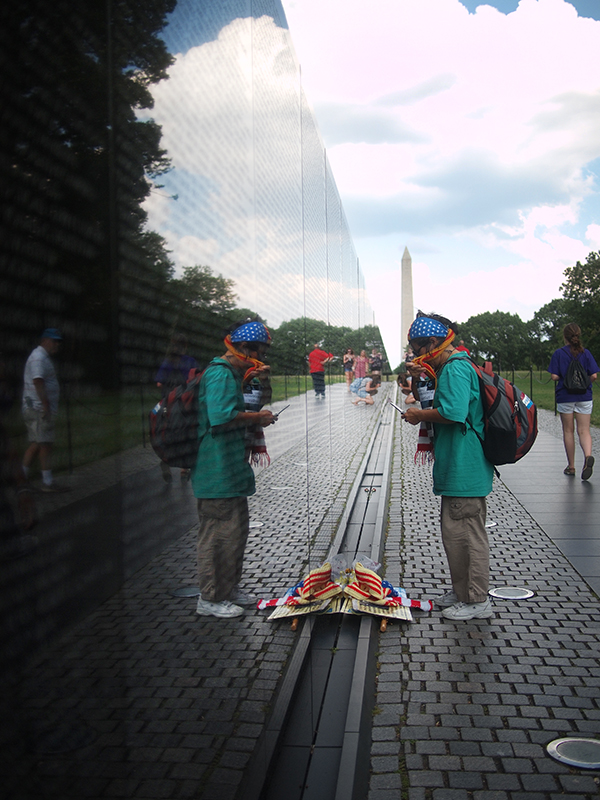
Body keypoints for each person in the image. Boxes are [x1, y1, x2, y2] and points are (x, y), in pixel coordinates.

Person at [403, 314, 494, 621]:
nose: (416, 354)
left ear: (433, 343)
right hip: (458, 464)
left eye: (418, 348)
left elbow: (453, 412)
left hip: (464, 465)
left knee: (467, 534)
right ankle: (461, 591)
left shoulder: (455, 368)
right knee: (456, 534)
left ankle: (476, 600)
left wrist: (420, 415)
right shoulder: (452, 366)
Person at [191, 321, 277, 619]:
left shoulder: (234, 375)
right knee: (216, 536)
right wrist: (257, 418)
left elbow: (251, 401)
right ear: (243, 348)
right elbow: (220, 416)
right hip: (216, 471)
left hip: (230, 471)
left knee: (234, 534)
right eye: (258, 351)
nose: (261, 357)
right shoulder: (219, 373)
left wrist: (258, 385)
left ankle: (228, 588)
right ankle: (210, 597)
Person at [21, 328, 69, 492]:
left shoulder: (41, 357)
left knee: (37, 443)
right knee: (45, 444)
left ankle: (22, 479)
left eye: (58, 342)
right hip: (38, 408)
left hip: (36, 407)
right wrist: (45, 404)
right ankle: (47, 483)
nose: (57, 345)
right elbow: (38, 381)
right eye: (54, 341)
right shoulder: (39, 358)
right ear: (45, 340)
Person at [548, 323, 598, 480]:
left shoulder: (559, 354)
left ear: (565, 337)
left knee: (568, 431)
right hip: (584, 396)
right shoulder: (586, 353)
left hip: (566, 396)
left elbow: (554, 376)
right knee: (584, 430)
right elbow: (594, 375)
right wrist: (585, 383)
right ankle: (588, 456)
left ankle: (571, 466)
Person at [155, 334, 199, 482]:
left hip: (168, 403)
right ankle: (184, 468)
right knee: (186, 433)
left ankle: (166, 460)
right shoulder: (191, 361)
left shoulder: (168, 362)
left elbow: (159, 383)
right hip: (185, 404)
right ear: (185, 346)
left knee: (167, 432)